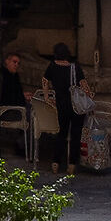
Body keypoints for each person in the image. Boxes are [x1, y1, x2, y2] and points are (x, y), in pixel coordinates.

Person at [41, 42, 87, 174]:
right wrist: (89, 95)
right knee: (75, 135)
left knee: (61, 134)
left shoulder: (52, 66)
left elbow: (45, 80)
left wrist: (46, 96)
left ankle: (56, 163)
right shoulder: (75, 67)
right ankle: (71, 165)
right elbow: (83, 84)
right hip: (76, 106)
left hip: (61, 104)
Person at [0, 51, 32, 164]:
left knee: (32, 111)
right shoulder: (3, 76)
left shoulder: (14, 76)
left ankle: (24, 145)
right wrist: (22, 97)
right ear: (7, 61)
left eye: (18, 63)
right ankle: (22, 146)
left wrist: (23, 95)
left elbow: (16, 93)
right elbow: (7, 96)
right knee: (31, 116)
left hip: (16, 107)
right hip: (6, 110)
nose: (16, 65)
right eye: (14, 62)